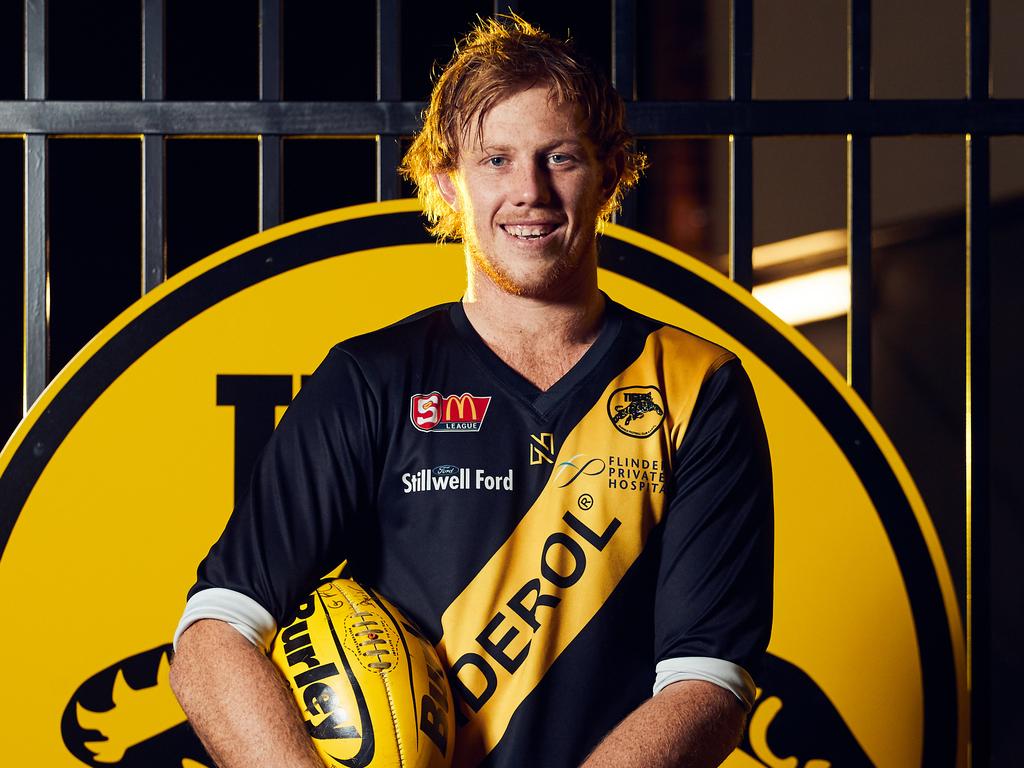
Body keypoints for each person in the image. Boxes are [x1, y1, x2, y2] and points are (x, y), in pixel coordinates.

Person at [170, 15, 772, 768]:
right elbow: (214, 633)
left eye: (560, 157)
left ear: (611, 172)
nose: (529, 191)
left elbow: (707, 679)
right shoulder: (372, 378)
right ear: (449, 179)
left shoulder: (697, 386)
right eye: (496, 159)